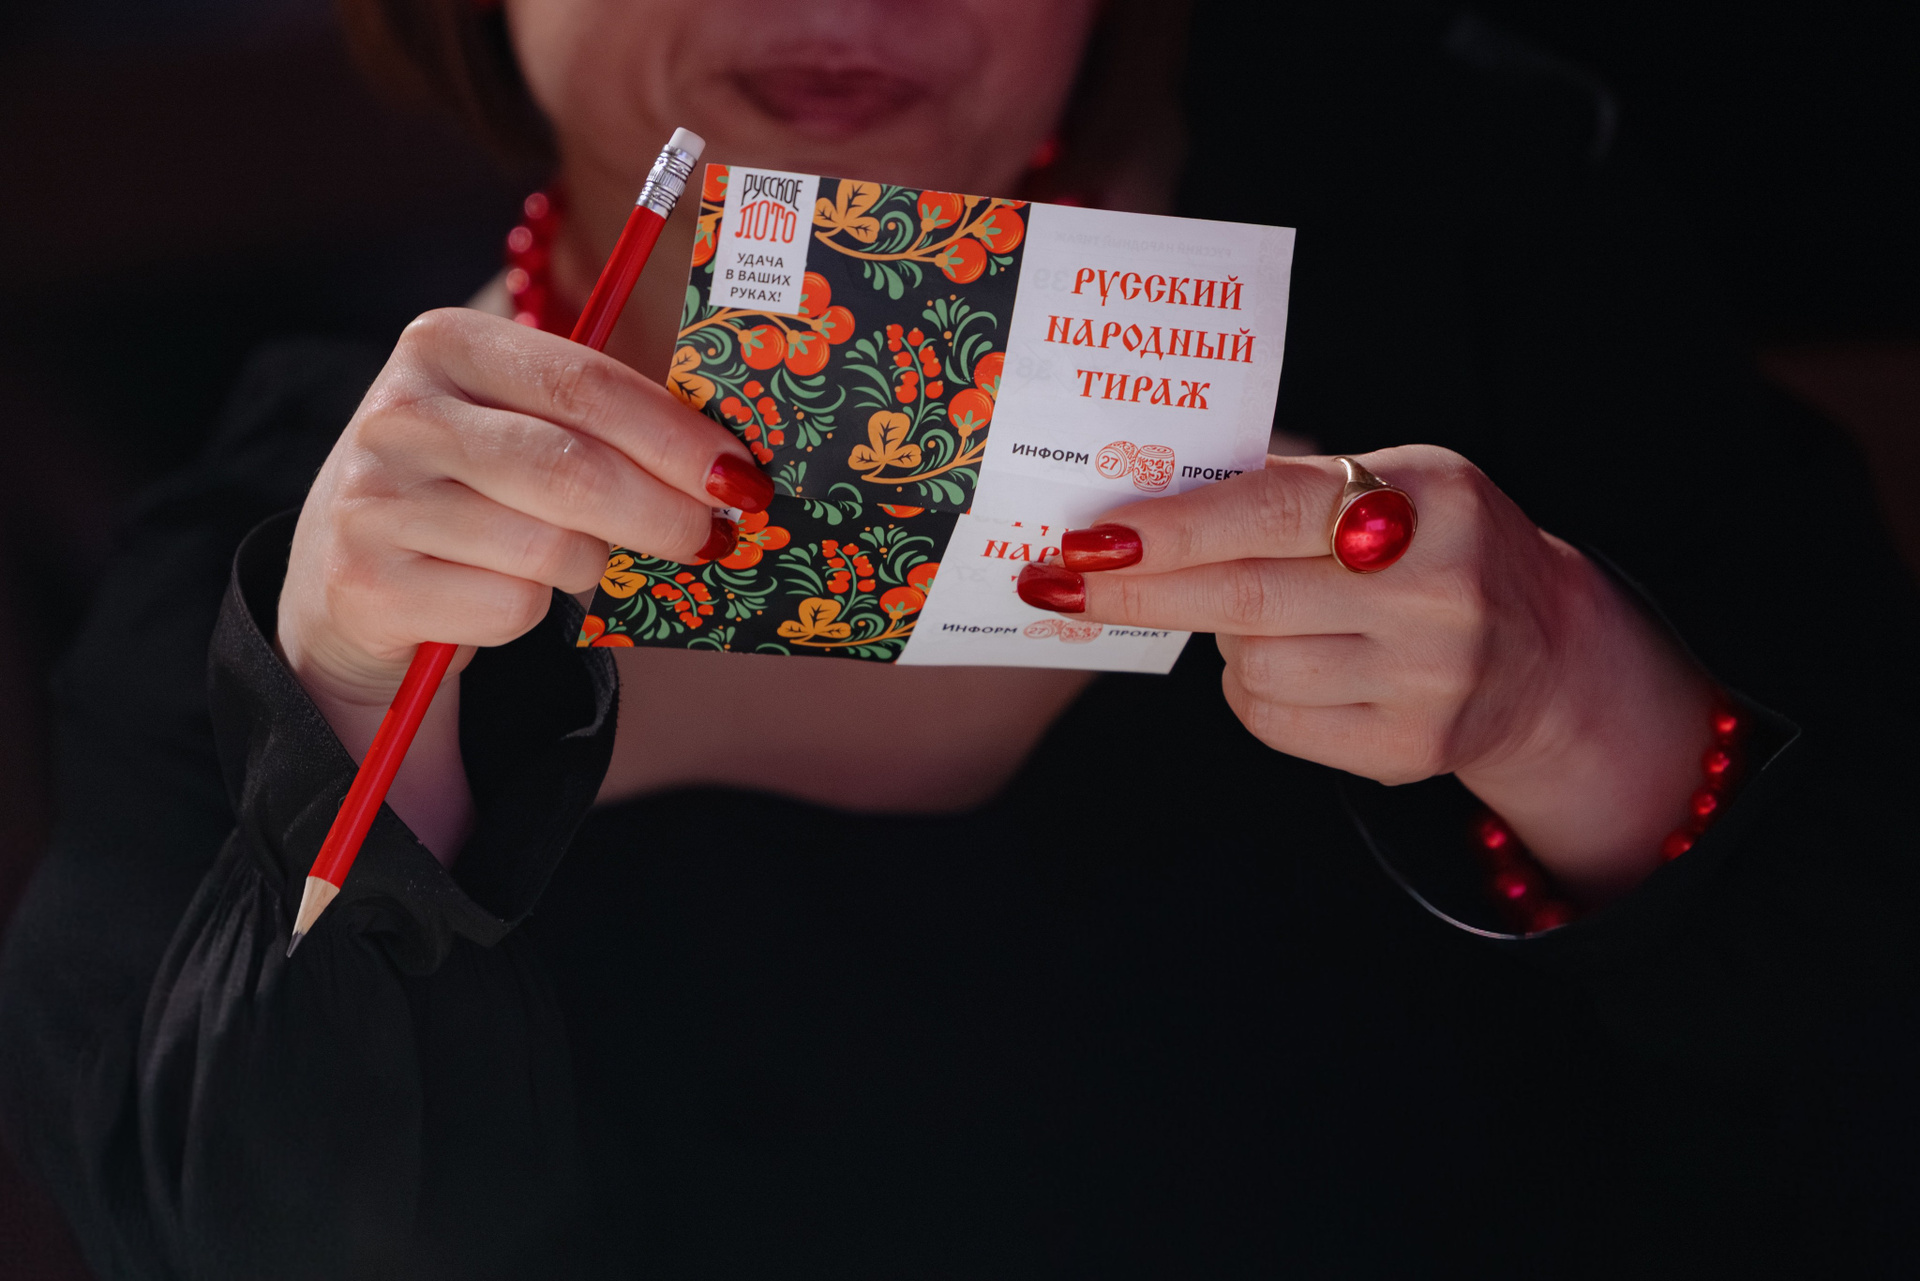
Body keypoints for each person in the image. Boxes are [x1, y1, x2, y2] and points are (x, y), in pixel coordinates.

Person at [3, 0, 1916, 1274]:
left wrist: (1581, 707)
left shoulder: (1471, 249)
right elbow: (229, 1237)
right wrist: (361, 734)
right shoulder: (271, 558)